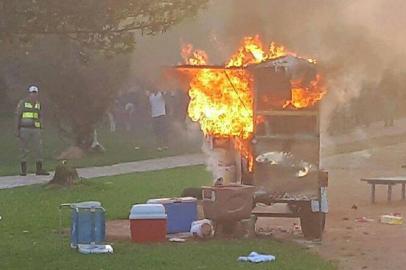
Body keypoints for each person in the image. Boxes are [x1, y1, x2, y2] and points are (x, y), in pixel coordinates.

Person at [16, 85, 49, 176]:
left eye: (35, 93)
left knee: (38, 148)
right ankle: (23, 170)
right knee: (24, 149)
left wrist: (41, 127)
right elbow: (18, 116)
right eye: (32, 93)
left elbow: (40, 116)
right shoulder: (23, 103)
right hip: (24, 128)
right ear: (29, 93)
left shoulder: (38, 104)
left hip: (36, 129)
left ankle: (39, 169)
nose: (33, 95)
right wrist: (17, 129)